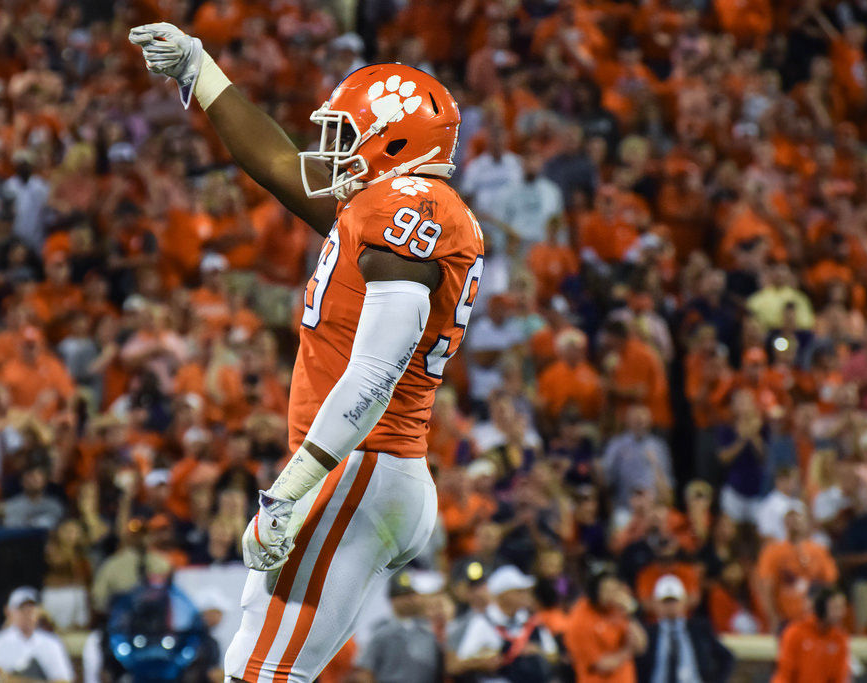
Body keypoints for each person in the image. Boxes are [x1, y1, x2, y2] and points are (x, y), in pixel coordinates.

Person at [129, 22, 484, 683]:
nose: (333, 153)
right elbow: (273, 162)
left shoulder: (414, 205)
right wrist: (199, 69)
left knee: (262, 672)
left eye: (348, 138)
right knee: (255, 663)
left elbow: (376, 372)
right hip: (365, 467)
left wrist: (289, 491)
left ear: (397, 141)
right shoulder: (382, 199)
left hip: (361, 466)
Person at [454, 564, 560, 683]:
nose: (525, 595)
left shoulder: (530, 620)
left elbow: (554, 655)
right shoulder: (483, 622)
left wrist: (538, 651)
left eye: (525, 591)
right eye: (519, 591)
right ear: (503, 595)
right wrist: (481, 661)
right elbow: (460, 663)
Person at [635, 575, 733, 683]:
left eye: (674, 601)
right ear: (656, 604)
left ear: (683, 601)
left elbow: (726, 657)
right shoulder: (648, 634)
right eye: (666, 601)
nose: (670, 606)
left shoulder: (699, 629)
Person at [354, 572, 441, 683]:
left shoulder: (428, 631)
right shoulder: (381, 633)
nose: (411, 600)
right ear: (393, 599)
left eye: (413, 594)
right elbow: (365, 672)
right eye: (404, 595)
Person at [564, 570, 647, 683]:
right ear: (595, 592)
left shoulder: (618, 609)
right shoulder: (580, 619)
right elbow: (602, 665)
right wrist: (628, 651)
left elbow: (641, 646)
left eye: (615, 589)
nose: (613, 594)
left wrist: (630, 615)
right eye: (607, 590)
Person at [0, 587, 74, 682]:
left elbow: (64, 679)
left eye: (31, 609)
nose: (27, 613)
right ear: (8, 611)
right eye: (22, 609)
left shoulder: (52, 643)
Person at [771, 587, 850, 683]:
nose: (841, 613)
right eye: (836, 608)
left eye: (842, 608)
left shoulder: (840, 639)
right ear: (822, 607)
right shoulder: (795, 633)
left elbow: (840, 677)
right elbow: (784, 674)